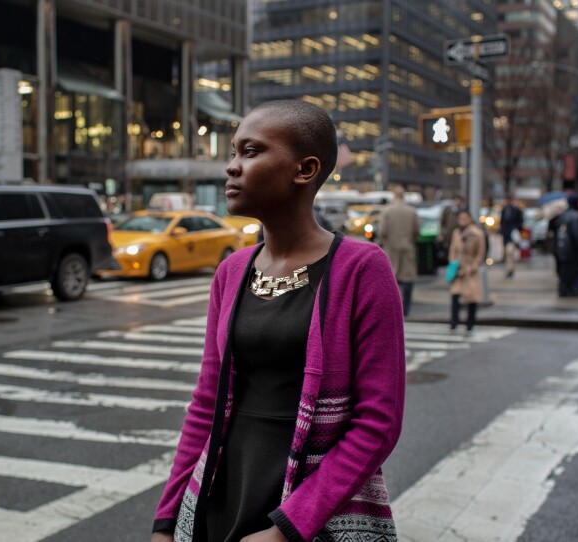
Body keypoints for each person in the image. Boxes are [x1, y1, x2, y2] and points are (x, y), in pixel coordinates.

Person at [151, 100, 406, 542]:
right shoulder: (232, 270)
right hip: (219, 494)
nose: (231, 167)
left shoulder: (363, 269)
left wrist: (288, 529)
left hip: (311, 509)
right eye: (233, 152)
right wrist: (167, 519)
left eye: (250, 152)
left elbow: (378, 422)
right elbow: (206, 403)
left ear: (304, 170)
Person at [377, 185, 420, 317]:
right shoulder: (411, 211)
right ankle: (405, 309)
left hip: (391, 248)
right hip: (407, 247)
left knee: (391, 278)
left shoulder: (387, 211)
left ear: (393, 196)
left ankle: (392, 308)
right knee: (408, 278)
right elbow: (416, 231)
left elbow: (382, 231)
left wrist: (386, 241)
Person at [449, 210, 485, 333]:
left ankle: (470, 323)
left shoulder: (477, 234)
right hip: (458, 268)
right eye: (461, 218)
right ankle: (454, 321)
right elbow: (453, 249)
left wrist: (473, 267)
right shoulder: (456, 233)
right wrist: (453, 264)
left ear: (470, 219)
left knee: (471, 298)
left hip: (469, 270)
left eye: (465, 218)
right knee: (455, 295)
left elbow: (480, 254)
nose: (462, 220)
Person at [553, 194, 578, 297]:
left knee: (563, 272)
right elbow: (577, 235)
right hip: (571, 250)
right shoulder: (577, 217)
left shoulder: (563, 215)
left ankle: (564, 289)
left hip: (561, 248)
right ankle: (569, 290)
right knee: (571, 271)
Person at [499, 196, 524, 278]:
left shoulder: (516, 210)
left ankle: (510, 268)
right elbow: (502, 222)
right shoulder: (504, 210)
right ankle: (509, 267)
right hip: (505, 234)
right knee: (507, 252)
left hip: (512, 234)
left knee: (510, 251)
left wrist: (515, 229)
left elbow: (520, 222)